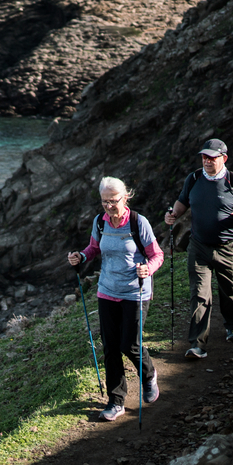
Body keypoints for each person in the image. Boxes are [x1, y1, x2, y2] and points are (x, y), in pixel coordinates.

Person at [67, 177, 164, 421]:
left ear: (125, 197)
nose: (109, 206)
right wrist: (81, 256)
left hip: (136, 292)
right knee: (110, 347)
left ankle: (149, 375)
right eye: (104, 202)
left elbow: (157, 255)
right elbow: (94, 248)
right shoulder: (100, 222)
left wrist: (147, 269)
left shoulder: (138, 222)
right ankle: (116, 401)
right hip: (107, 290)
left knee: (128, 344)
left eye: (113, 201)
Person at [163, 138, 233, 359]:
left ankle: (232, 325)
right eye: (204, 157)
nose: (207, 161)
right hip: (199, 247)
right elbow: (182, 201)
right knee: (199, 294)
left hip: (228, 247)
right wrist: (173, 214)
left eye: (212, 158)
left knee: (230, 290)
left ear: (223, 159)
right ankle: (197, 344)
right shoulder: (195, 178)